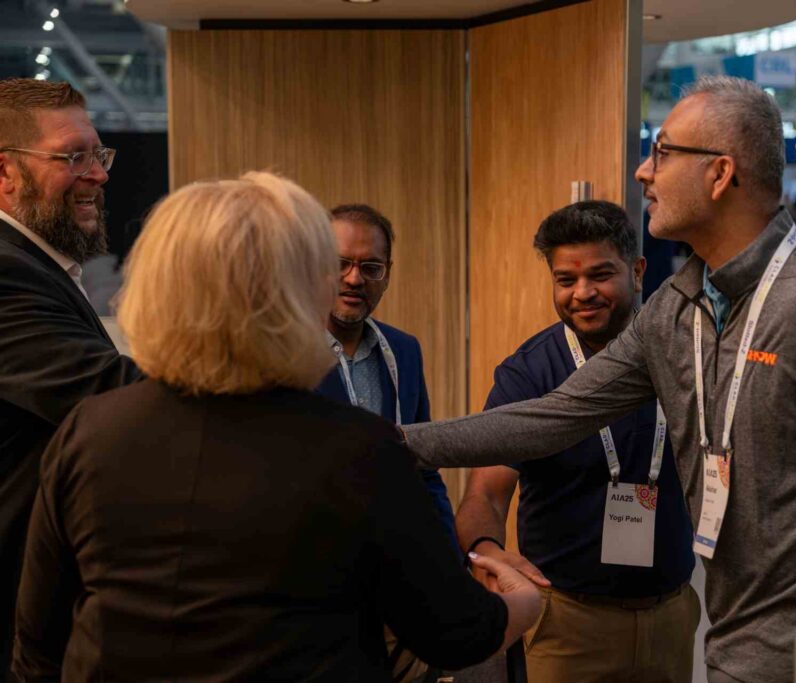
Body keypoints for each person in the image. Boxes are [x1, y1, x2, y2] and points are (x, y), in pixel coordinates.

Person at [402, 76, 796, 683]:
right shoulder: (677, 308)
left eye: (662, 151)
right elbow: (550, 416)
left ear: (720, 173)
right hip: (731, 652)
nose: (641, 172)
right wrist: (390, 442)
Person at [11, 172, 541, 681]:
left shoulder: (88, 432)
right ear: (296, 292)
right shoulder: (358, 451)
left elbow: (37, 648)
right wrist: (522, 599)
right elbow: (455, 634)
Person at [457, 200, 698, 683]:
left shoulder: (685, 353)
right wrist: (486, 547)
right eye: (566, 280)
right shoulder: (530, 372)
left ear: (637, 270)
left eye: (600, 275)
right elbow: (485, 492)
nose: (582, 293)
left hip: (670, 614)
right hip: (565, 623)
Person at [0, 78, 141, 672]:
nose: (99, 175)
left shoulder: (38, 265)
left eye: (98, 154)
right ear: (6, 172)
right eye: (72, 156)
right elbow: (109, 396)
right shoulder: (8, 273)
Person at [316, 203, 457, 683]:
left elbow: (425, 466)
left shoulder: (404, 350)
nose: (354, 279)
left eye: (370, 267)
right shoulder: (282, 349)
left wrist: (448, 566)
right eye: (340, 264)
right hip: (319, 595)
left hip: (399, 585)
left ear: (387, 275)